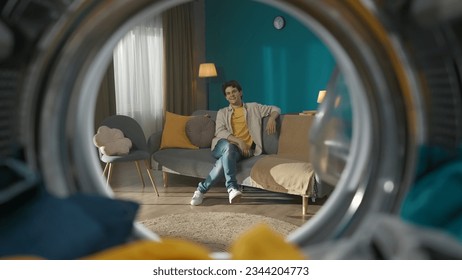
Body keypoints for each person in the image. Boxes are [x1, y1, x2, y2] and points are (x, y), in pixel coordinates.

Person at [190, 80, 280, 206]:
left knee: (223, 161)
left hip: (241, 151)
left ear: (240, 92)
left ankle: (200, 190)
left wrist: (272, 119)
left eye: (234, 91)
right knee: (229, 146)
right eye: (228, 93)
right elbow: (220, 131)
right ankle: (232, 187)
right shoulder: (222, 112)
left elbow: (275, 109)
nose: (231, 95)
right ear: (226, 97)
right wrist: (239, 141)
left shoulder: (254, 108)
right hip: (222, 145)